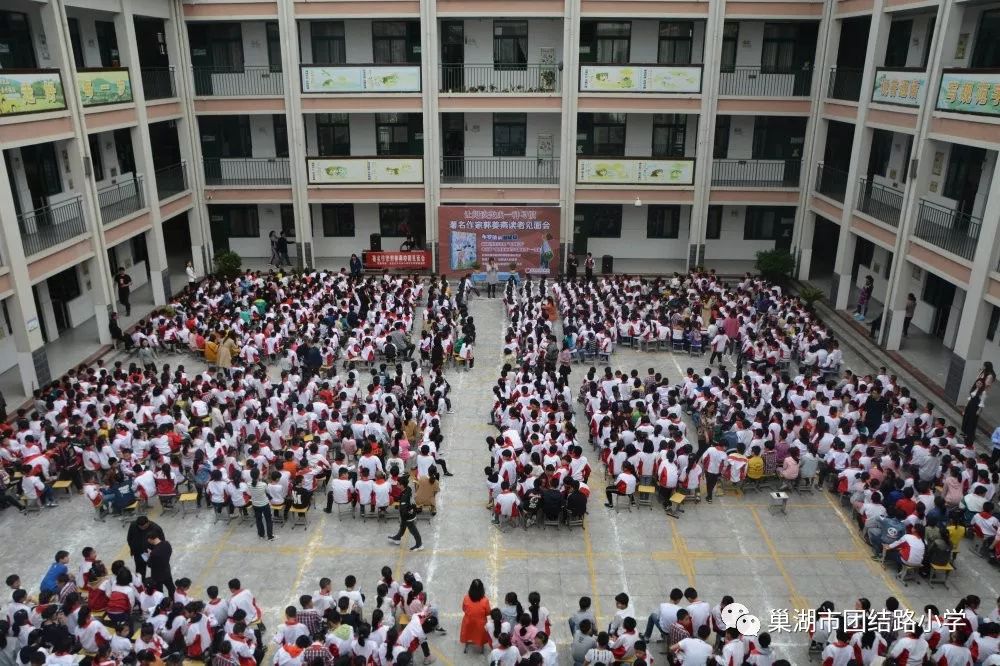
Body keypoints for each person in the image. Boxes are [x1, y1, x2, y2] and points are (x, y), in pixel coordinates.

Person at [387, 474, 422, 551]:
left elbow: (404, 510)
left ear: (402, 485)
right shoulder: (408, 489)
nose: (397, 484)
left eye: (398, 484)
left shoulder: (404, 498)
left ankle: (419, 545)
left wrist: (402, 519)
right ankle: (397, 538)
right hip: (409, 513)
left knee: (413, 530)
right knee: (402, 527)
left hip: (408, 516)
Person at [460, 579, 491, 653]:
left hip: (468, 622)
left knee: (469, 632)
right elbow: (488, 612)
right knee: (480, 633)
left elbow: (464, 609)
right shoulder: (485, 600)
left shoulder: (466, 598)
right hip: (480, 624)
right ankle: (480, 644)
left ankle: (468, 640)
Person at [248, 468, 274, 541]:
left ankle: (261, 534)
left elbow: (249, 493)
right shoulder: (263, 484)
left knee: (258, 520)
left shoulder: (249, 484)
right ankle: (270, 536)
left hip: (255, 504)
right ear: (258, 475)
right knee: (268, 520)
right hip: (264, 504)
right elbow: (268, 492)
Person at [147, 532, 174, 599]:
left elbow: (150, 564)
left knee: (159, 591)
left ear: (150, 539)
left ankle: (162, 603)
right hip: (167, 571)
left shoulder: (154, 553)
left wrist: (149, 556)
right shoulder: (167, 544)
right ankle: (172, 600)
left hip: (157, 575)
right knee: (171, 587)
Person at [963, 380, 986, 445]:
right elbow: (970, 398)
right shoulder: (974, 389)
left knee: (972, 421)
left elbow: (982, 402)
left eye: (980, 383)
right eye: (977, 383)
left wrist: (979, 411)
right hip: (970, 406)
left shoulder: (983, 392)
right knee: (966, 419)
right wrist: (965, 407)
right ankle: (965, 433)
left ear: (982, 385)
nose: (978, 384)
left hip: (975, 407)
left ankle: (970, 435)